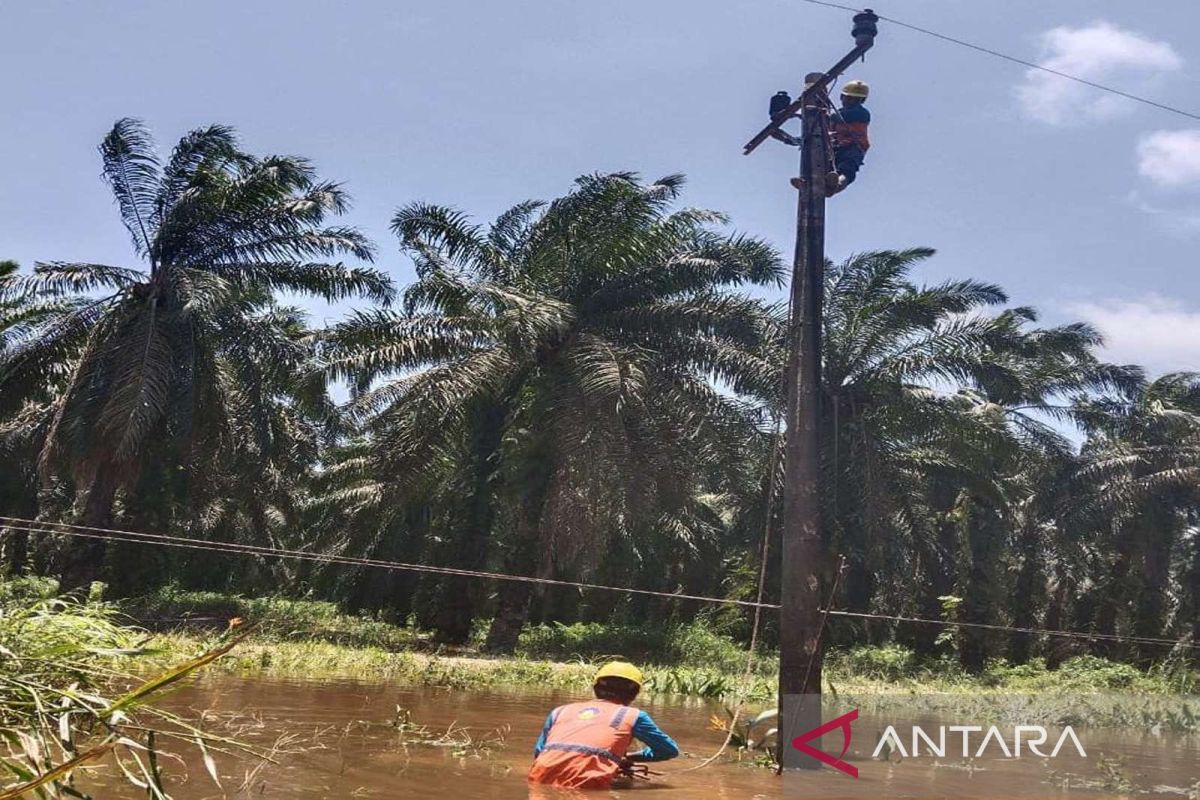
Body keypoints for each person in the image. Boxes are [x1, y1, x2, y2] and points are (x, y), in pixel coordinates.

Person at [528, 661, 679, 789]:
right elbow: (668, 751)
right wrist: (629, 758)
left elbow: (539, 752)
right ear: (633, 693)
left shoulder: (560, 711)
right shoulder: (634, 716)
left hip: (539, 779)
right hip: (587, 785)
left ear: (596, 689)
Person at [830, 79, 871, 193]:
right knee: (822, 167)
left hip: (853, 147)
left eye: (856, 99)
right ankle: (810, 184)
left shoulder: (862, 113)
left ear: (861, 101)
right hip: (834, 149)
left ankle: (838, 184)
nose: (851, 101)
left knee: (846, 169)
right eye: (848, 98)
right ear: (841, 97)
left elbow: (846, 116)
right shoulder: (835, 116)